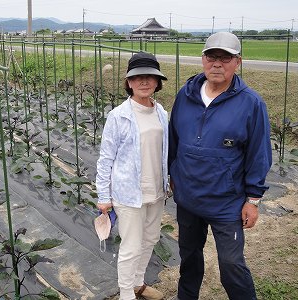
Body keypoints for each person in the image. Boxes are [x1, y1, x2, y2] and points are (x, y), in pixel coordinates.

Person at [168, 32, 272, 300]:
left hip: (226, 202)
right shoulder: (186, 95)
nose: (217, 63)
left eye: (225, 58)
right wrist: (172, 173)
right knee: (189, 258)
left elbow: (259, 153)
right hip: (189, 199)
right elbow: (174, 139)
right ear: (203, 59)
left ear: (237, 62)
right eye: (212, 56)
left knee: (231, 265)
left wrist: (253, 199)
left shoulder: (251, 103)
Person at [96, 52, 169, 300]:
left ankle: (139, 283)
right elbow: (106, 158)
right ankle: (126, 294)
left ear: (157, 82)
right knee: (130, 246)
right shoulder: (119, 115)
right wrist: (104, 196)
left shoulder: (161, 113)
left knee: (150, 240)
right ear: (129, 82)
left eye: (150, 77)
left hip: (156, 192)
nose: (144, 82)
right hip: (128, 194)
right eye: (138, 77)